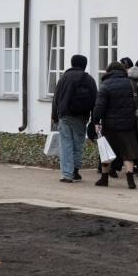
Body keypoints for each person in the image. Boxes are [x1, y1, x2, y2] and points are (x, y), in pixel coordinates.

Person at [92, 62, 138, 189]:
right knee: (128, 152)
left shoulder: (106, 85)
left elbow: (99, 106)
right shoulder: (131, 84)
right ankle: (130, 180)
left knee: (106, 151)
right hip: (128, 123)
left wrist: (96, 121)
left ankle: (104, 179)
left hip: (110, 124)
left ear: (108, 71)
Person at [51, 54, 98, 183]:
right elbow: (95, 101)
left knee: (66, 145)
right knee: (78, 144)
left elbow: (56, 99)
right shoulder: (89, 80)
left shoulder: (64, 78)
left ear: (72, 64)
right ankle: (76, 171)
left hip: (65, 115)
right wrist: (95, 120)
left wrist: (55, 116)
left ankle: (67, 174)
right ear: (85, 65)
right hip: (81, 116)